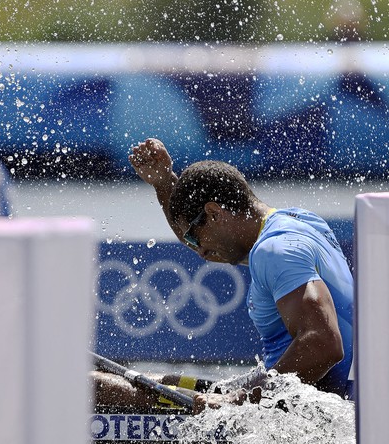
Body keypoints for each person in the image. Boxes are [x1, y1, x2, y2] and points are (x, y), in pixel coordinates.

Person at [92, 138, 354, 414]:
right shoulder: (298, 224)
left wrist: (237, 403)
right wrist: (164, 182)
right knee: (156, 382)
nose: (199, 250)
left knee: (94, 388)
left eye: (195, 235)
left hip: (294, 414)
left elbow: (323, 344)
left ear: (214, 213)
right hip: (286, 397)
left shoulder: (276, 251)